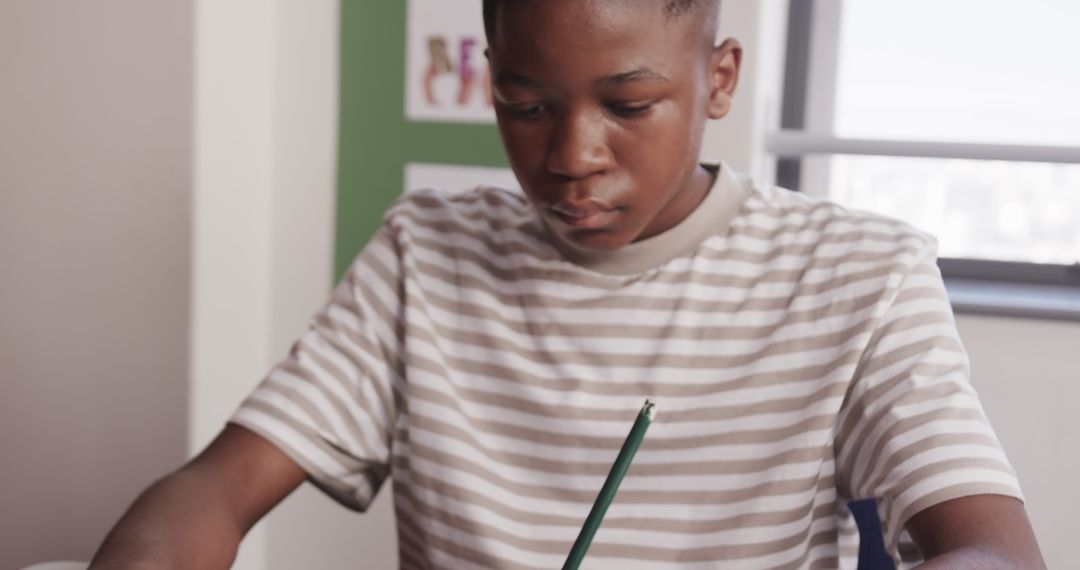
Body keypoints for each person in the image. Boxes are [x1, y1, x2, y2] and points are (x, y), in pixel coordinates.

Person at [91, 0, 1046, 568]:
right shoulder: (427, 253)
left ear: (719, 81)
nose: (571, 156)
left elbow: (993, 547)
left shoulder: (859, 277)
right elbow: (213, 492)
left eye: (628, 105)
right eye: (524, 105)